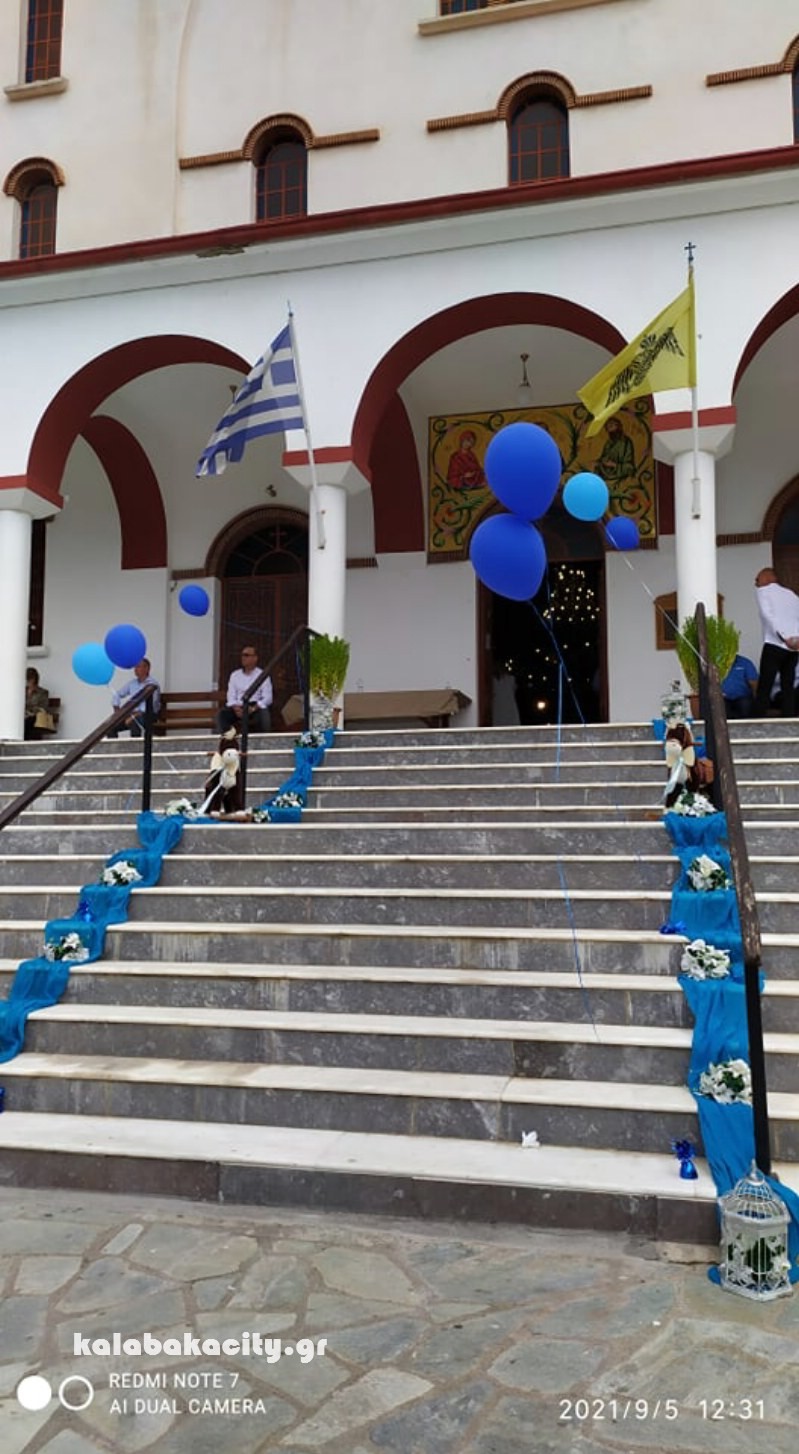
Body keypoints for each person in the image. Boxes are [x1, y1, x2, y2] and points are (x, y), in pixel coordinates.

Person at [753, 567, 799, 718]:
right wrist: (796, 640)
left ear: (768, 577)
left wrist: (783, 637)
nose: (756, 583)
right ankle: (789, 718)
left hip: (775, 643)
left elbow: (767, 615)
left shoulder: (763, 591)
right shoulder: (792, 594)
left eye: (758, 579)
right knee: (788, 685)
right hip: (794, 647)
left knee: (765, 684)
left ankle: (758, 719)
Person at [218, 645, 272, 734]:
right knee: (222, 715)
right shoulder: (235, 675)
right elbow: (231, 696)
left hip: (254, 707)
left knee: (264, 716)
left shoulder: (262, 675)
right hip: (238, 706)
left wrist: (253, 708)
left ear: (255, 658)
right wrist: (236, 708)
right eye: (242, 655)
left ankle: (261, 740)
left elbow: (268, 698)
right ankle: (228, 738)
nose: (243, 658)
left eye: (246, 655)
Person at [108, 658, 161, 738]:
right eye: (135, 667)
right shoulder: (132, 683)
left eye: (138, 666)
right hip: (132, 715)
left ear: (147, 669)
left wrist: (134, 715)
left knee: (134, 723)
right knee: (110, 726)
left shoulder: (153, 684)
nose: (135, 669)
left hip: (148, 715)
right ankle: (114, 746)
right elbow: (118, 694)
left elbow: (152, 705)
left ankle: (135, 745)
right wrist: (116, 708)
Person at [721, 653, 758, 719]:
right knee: (720, 707)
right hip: (723, 697)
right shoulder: (718, 663)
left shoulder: (745, 663)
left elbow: (754, 683)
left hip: (742, 697)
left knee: (745, 705)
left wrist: (757, 700)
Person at [24, 667, 50, 740]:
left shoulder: (42, 692)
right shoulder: (21, 691)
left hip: (35, 717)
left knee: (30, 721)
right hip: (23, 716)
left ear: (35, 679)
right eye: (27, 679)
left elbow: (43, 708)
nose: (28, 681)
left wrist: (30, 712)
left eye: (30, 679)